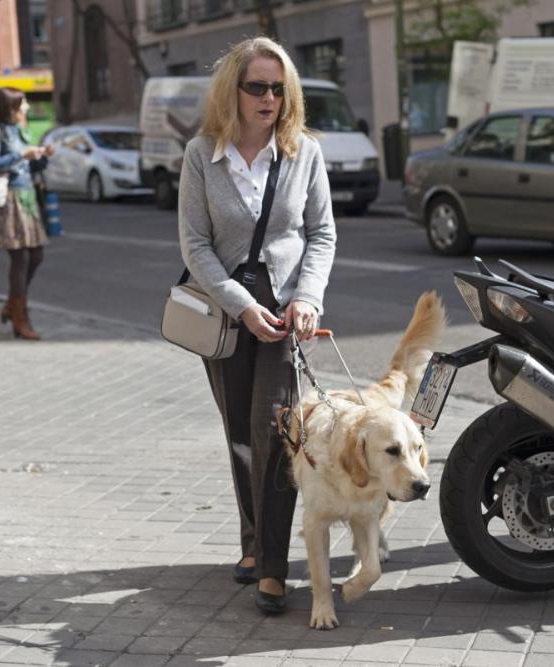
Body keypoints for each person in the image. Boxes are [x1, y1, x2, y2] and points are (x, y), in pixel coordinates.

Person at [178, 36, 336, 615]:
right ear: (233, 93)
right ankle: (252, 544)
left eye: (278, 87)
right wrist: (242, 304)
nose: (269, 97)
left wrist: (309, 299)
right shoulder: (201, 155)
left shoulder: (304, 154)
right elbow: (195, 243)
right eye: (257, 87)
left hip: (289, 313)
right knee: (241, 435)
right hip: (226, 313)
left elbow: (321, 234)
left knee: (276, 436)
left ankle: (273, 568)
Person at [0, 87, 54, 340]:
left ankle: (12, 305)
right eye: (23, 104)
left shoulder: (19, 129)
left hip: (28, 197)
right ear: (11, 107)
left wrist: (42, 156)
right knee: (20, 258)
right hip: (8, 199)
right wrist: (21, 153)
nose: (27, 108)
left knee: (37, 255)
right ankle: (21, 318)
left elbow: (29, 166)